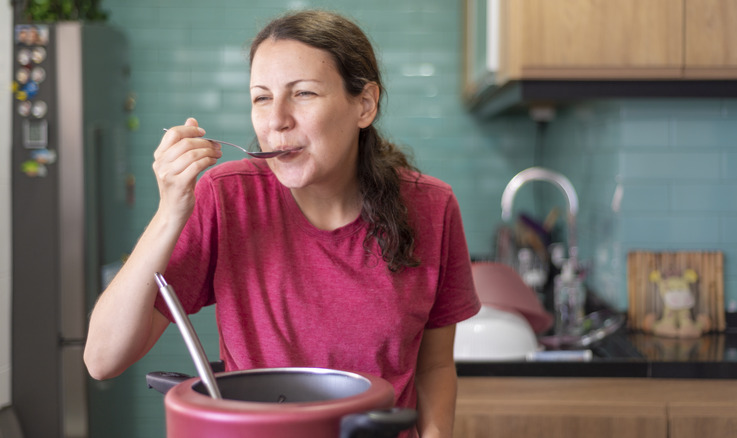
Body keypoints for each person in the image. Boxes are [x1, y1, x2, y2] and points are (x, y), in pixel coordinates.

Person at [83, 9, 480, 438]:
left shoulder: (432, 207)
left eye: (303, 93)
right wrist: (170, 212)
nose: (276, 120)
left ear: (365, 104)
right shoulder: (226, 197)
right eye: (261, 97)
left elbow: (436, 365)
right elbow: (103, 359)